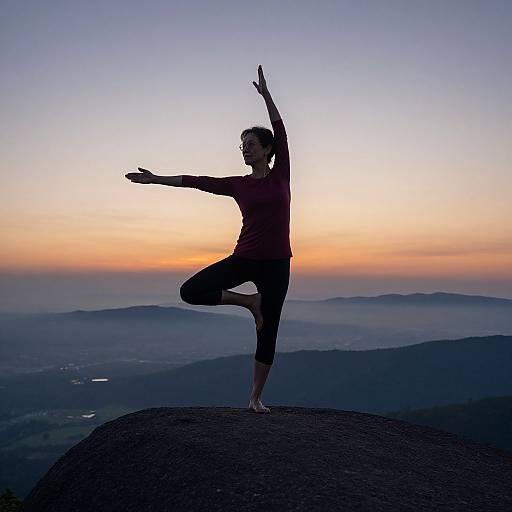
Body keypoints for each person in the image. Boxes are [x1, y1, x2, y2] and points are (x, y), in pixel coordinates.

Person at [125, 65, 292, 413]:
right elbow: (198, 180)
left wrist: (266, 96)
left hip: (277, 263)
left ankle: (255, 398)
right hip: (245, 257)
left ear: (266, 150)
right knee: (191, 291)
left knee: (269, 330)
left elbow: (281, 130)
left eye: (250, 145)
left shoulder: (281, 175)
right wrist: (156, 179)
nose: (245, 149)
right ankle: (249, 302)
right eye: (242, 145)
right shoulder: (237, 184)